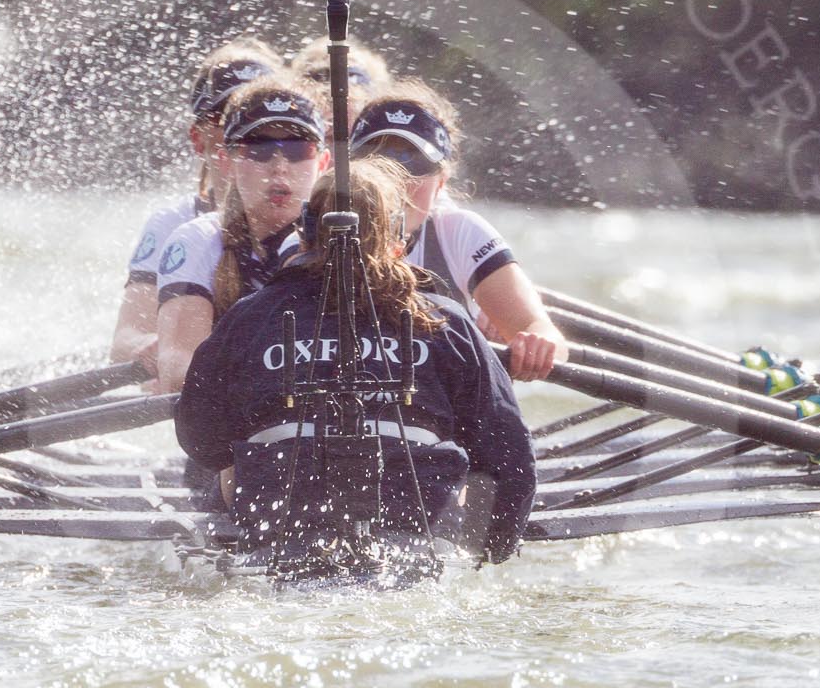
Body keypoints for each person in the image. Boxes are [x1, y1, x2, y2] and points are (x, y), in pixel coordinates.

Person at [173, 159, 537, 566]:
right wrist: (491, 554)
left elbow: (198, 435)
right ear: (398, 237)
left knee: (224, 466)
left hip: (278, 529)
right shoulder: (446, 322)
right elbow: (511, 457)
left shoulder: (248, 318)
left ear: (305, 233)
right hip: (415, 534)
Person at [347, 80, 569, 382]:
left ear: (441, 182)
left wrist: (535, 346)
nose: (396, 180)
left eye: (415, 163)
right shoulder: (316, 234)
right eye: (380, 161)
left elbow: (543, 333)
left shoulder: (458, 233)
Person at [153, 74, 340, 393]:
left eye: (297, 151)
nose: (280, 166)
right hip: (240, 430)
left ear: (322, 162)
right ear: (227, 161)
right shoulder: (198, 241)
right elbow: (179, 373)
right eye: (259, 150)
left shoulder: (349, 240)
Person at [110, 38, 282, 370]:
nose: (243, 130)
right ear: (198, 139)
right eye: (227, 115)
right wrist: (151, 346)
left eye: (256, 118)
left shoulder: (321, 217)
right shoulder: (172, 224)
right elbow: (125, 339)